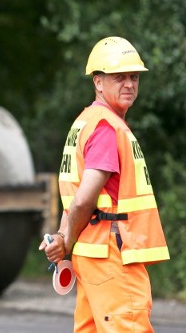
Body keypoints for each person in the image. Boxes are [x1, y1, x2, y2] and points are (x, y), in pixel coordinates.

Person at [40, 36, 170, 332]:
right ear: (98, 82)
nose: (129, 84)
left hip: (93, 256)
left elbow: (73, 197)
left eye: (134, 77)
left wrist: (63, 238)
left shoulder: (86, 122)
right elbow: (84, 199)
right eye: (119, 77)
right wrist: (66, 241)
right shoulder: (106, 128)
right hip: (112, 258)